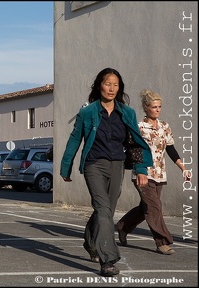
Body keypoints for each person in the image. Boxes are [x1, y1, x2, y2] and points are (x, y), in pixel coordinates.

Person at [60, 68, 153, 277]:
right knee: (103, 209)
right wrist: (66, 166)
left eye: (116, 84)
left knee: (106, 211)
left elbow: (135, 143)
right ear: (99, 85)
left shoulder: (127, 112)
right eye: (107, 83)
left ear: (120, 88)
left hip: (117, 164)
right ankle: (108, 259)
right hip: (94, 164)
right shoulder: (88, 112)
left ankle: (90, 241)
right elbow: (75, 139)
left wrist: (141, 169)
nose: (111, 88)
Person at [116, 89, 192, 255]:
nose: (158, 110)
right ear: (146, 107)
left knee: (146, 208)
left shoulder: (164, 127)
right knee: (154, 207)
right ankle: (162, 242)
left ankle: (123, 226)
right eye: (154, 107)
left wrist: (183, 168)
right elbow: (133, 151)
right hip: (143, 174)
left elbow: (170, 149)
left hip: (159, 174)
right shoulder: (139, 127)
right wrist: (138, 169)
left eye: (159, 107)